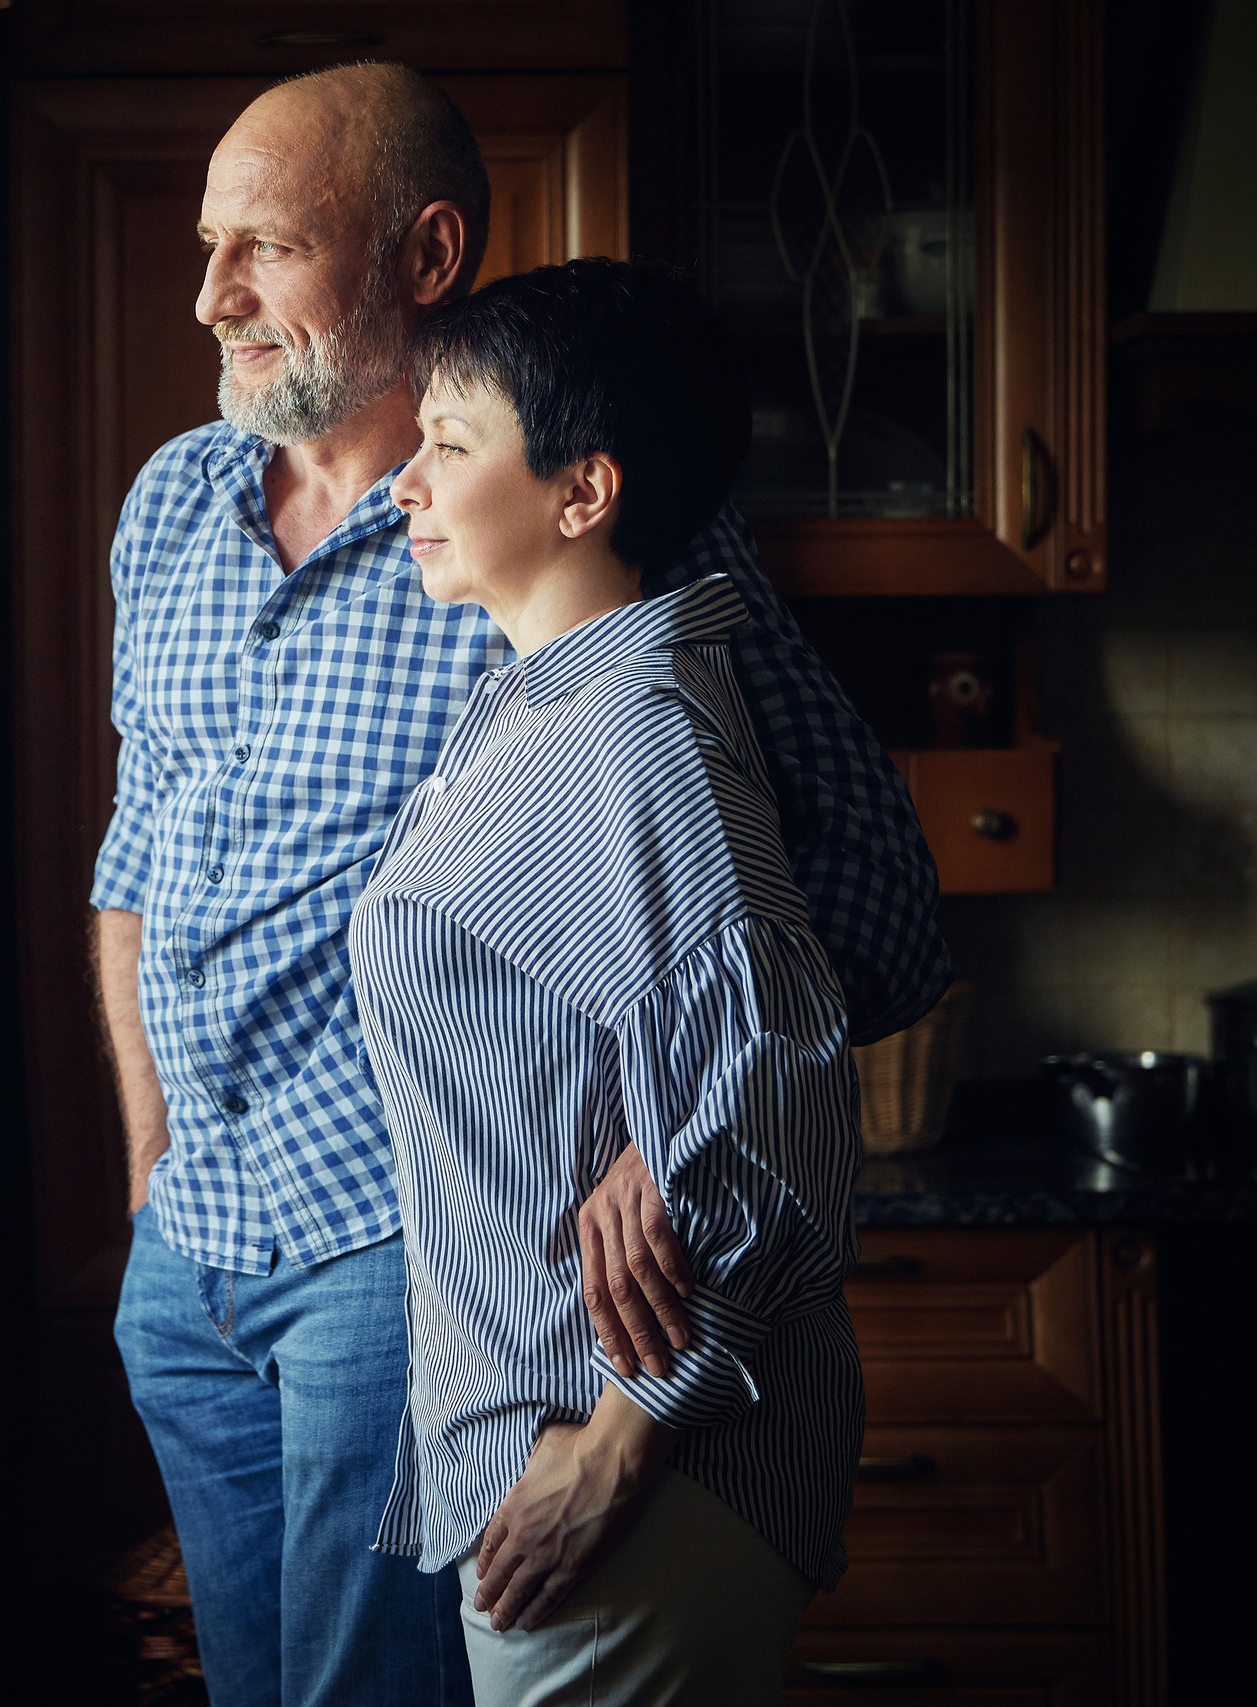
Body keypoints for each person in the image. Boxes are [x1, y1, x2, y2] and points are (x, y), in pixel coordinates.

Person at [93, 62, 943, 1707]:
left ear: (424, 255)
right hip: (187, 1267)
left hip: (400, 1265)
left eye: (262, 248)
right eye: (210, 247)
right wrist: (149, 1164)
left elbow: (877, 900)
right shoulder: (168, 507)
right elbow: (140, 851)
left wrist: (671, 1133)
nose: (211, 298)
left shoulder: (564, 525)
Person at [349, 258, 861, 1705]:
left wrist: (622, 1439)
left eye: (453, 445)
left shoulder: (632, 732)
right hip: (562, 1443)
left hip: (630, 1476)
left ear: (583, 494)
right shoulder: (540, 706)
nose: (409, 483)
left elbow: (780, 1099)